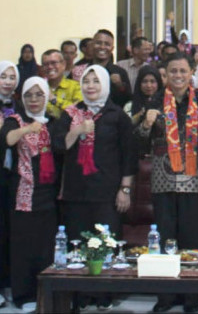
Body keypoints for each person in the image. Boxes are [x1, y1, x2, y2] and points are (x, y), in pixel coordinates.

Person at [136, 53, 198, 313]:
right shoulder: (154, 101)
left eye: (183, 71)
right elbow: (139, 142)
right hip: (163, 181)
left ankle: (192, 295)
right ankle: (165, 295)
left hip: (195, 180)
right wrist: (146, 125)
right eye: (173, 71)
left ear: (191, 72)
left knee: (192, 237)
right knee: (164, 239)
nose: (178, 76)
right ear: (166, 74)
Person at [53, 65, 136, 310]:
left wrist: (126, 189)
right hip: (76, 192)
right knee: (77, 245)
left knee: (105, 244)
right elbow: (58, 146)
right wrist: (77, 130)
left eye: (95, 81)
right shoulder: (70, 114)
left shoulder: (117, 115)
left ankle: (104, 296)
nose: (90, 86)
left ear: (104, 85)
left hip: (108, 193)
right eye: (86, 81)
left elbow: (128, 155)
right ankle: (79, 296)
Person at [0, 77, 57, 311]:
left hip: (48, 193)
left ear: (46, 96)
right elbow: (6, 139)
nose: (34, 100)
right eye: (29, 95)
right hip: (22, 192)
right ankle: (23, 295)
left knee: (45, 247)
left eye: (39, 95)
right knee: (23, 247)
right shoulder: (15, 120)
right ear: (22, 98)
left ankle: (46, 293)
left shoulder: (53, 121)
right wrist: (27, 129)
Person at [0, 61, 20, 307]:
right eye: (3, 76)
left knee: (10, 232)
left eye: (11, 76)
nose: (6, 81)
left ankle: (9, 283)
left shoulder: (21, 105)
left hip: (13, 176)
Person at [75, 30, 132, 107]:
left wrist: (120, 86)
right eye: (98, 43)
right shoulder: (80, 70)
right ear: (92, 45)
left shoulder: (120, 72)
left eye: (107, 44)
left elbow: (128, 101)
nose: (102, 47)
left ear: (112, 48)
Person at [41, 49, 82, 119]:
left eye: (54, 63)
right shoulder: (39, 88)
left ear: (63, 64)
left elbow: (79, 111)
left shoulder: (75, 87)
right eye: (46, 64)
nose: (50, 67)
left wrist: (54, 99)